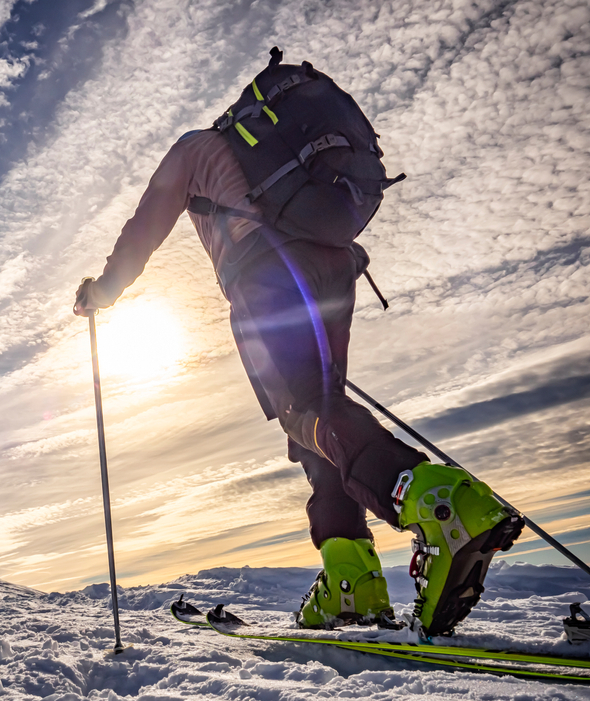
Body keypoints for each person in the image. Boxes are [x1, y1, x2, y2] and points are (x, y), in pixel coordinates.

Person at [73, 51, 524, 637]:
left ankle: (439, 503)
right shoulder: (278, 164)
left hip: (267, 272)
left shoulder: (195, 150)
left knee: (304, 411)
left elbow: (145, 227)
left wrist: (102, 290)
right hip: (333, 269)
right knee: (318, 419)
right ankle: (350, 578)